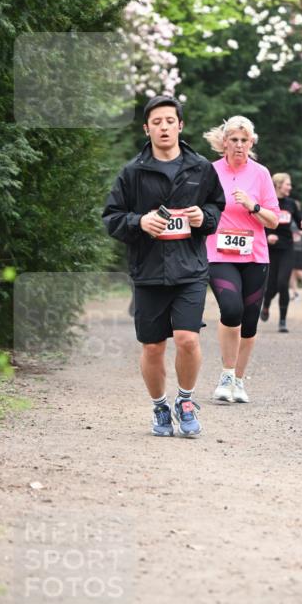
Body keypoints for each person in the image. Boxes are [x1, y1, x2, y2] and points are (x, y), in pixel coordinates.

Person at [103, 95, 225, 437]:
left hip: (190, 269)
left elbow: (217, 208)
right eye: (157, 122)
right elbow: (111, 218)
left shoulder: (201, 168)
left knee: (187, 339)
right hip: (149, 271)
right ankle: (159, 406)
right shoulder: (132, 172)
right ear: (147, 129)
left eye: (170, 121)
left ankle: (185, 402)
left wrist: (205, 217)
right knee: (153, 346)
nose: (164, 127)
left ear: (180, 125)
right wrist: (139, 222)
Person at [204, 116, 279, 403]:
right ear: (224, 142)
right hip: (219, 253)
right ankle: (225, 373)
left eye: (244, 140)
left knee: (249, 323)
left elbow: (273, 221)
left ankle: (238, 379)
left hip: (255, 255)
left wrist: (253, 205)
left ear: (251, 143)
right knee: (231, 309)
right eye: (233, 139)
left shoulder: (261, 174)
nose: (238, 145)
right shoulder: (209, 172)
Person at [260, 173, 302, 332]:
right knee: (271, 285)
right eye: (288, 184)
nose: (290, 187)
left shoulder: (291, 203)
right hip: (270, 249)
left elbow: (299, 220)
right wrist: (267, 236)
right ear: (278, 185)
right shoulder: (267, 202)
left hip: (287, 247)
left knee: (282, 283)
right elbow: (259, 223)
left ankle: (282, 321)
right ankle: (266, 305)